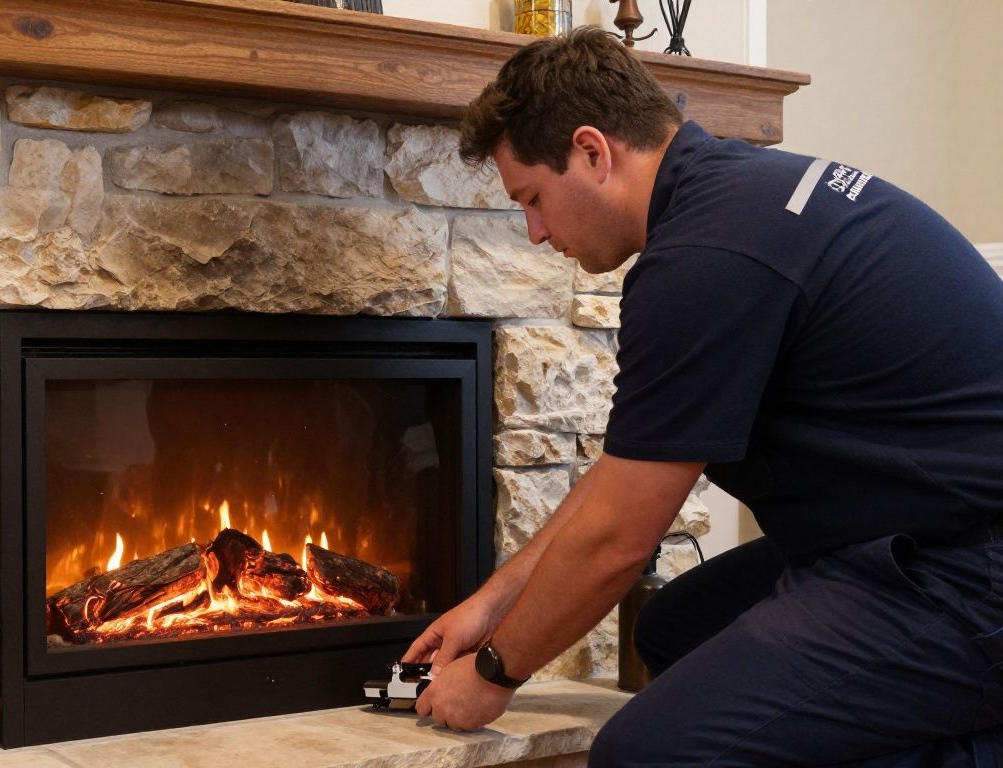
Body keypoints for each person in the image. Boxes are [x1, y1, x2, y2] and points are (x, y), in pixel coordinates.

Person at [404, 26, 1003, 766]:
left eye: (533, 198)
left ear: (592, 152)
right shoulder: (732, 202)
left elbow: (618, 542)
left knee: (645, 754)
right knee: (676, 629)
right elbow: (623, 484)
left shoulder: (707, 257)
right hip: (913, 528)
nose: (533, 232)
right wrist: (490, 606)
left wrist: (495, 674)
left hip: (968, 573)